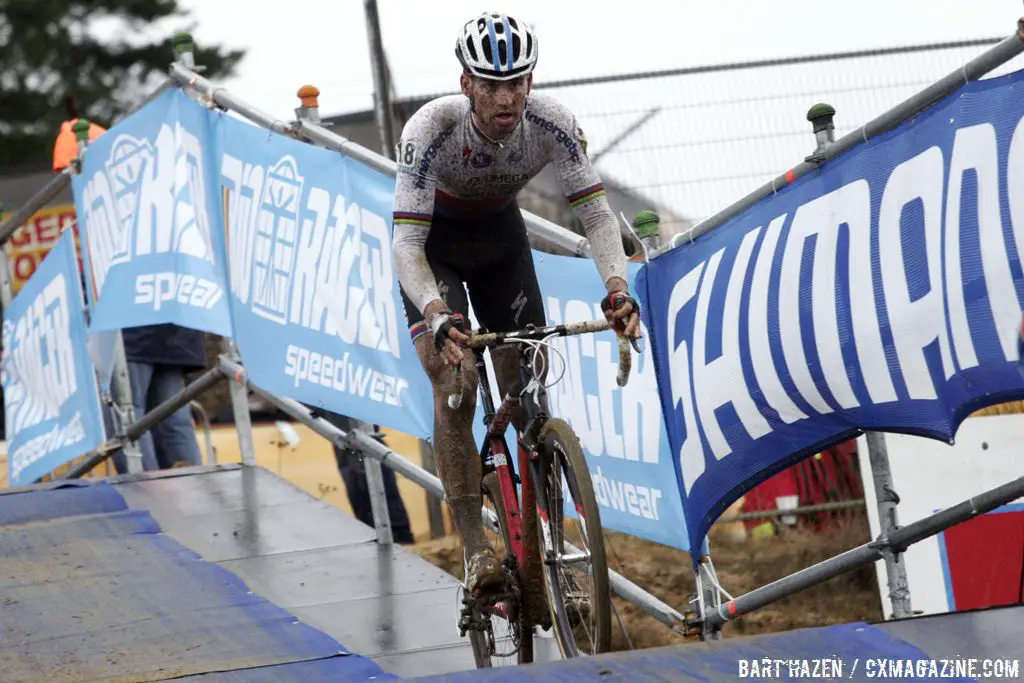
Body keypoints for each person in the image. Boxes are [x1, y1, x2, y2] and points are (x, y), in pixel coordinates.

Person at [390, 11, 642, 600]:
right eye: (490, 84)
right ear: (466, 83)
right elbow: (405, 243)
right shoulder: (430, 128)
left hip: (501, 243)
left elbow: (599, 216)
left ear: (531, 81)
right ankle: (477, 552)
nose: (505, 98)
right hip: (434, 252)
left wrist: (616, 287)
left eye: (516, 82)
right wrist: (434, 312)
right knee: (458, 381)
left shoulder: (552, 124)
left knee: (529, 387)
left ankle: (549, 552)